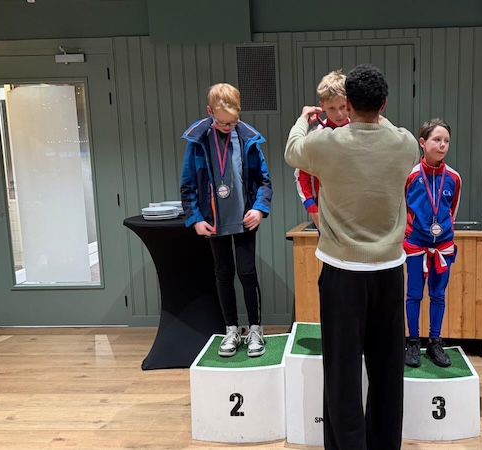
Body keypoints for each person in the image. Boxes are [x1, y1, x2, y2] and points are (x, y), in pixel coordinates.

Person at [285, 63, 420, 450]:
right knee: (387, 370)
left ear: (347, 104)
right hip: (389, 271)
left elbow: (292, 151)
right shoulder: (406, 143)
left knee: (342, 371)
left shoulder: (325, 144)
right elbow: (386, 129)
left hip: (342, 271)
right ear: (384, 103)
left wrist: (303, 119)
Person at [180, 83, 272, 358]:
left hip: (244, 219)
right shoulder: (197, 140)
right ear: (210, 112)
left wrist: (259, 209)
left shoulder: (248, 137)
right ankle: (231, 329)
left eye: (232, 122)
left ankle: (255, 329)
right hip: (214, 221)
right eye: (222, 122)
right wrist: (196, 218)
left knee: (247, 273)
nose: (227, 127)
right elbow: (187, 185)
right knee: (223, 273)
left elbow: (264, 180)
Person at [403, 118, 462, 368]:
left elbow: (452, 211)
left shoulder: (454, 178)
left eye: (446, 140)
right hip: (416, 245)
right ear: (423, 142)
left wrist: (441, 233)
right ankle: (413, 341)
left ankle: (435, 342)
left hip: (442, 247)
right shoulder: (411, 176)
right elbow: (401, 208)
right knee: (414, 294)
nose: (442, 145)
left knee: (438, 295)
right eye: (437, 140)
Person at [294, 69, 350, 229]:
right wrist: (312, 208)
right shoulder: (316, 135)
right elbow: (301, 175)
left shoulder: (361, 131)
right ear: (322, 106)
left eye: (343, 106)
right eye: (332, 108)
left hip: (359, 214)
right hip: (327, 215)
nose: (339, 114)